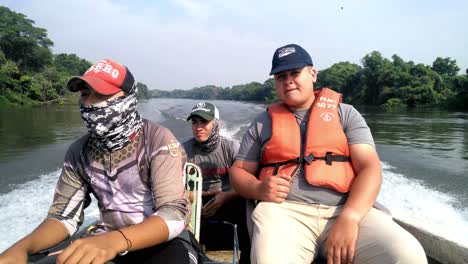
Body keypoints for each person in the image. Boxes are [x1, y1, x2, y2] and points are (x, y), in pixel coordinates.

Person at [229, 44, 427, 264]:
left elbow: (370, 167)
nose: (288, 81)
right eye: (280, 76)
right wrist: (258, 188)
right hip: (284, 212)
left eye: (295, 73)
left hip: (347, 209)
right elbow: (238, 172)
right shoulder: (261, 122)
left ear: (312, 74)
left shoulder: (346, 114)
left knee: (408, 255)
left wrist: (350, 217)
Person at [0, 59, 198, 264]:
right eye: (85, 94)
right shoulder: (79, 152)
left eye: (102, 95)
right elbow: (63, 217)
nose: (89, 103)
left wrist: (115, 241)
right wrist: (21, 248)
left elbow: (174, 213)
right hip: (104, 238)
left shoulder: (159, 140)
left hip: (162, 242)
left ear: (129, 99)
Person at [183, 102, 251, 264]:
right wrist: (192, 199)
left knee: (250, 209)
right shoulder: (183, 150)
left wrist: (226, 196)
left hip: (228, 199)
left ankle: (247, 257)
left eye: (204, 122)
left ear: (216, 124)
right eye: (194, 122)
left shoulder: (231, 148)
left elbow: (248, 182)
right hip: (194, 202)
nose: (198, 127)